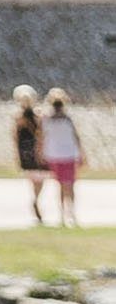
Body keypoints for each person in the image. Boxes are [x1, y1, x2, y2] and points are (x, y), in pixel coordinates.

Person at [44, 87, 85, 223]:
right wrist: (82, 154)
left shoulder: (48, 119)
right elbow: (76, 137)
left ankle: (63, 214)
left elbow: (42, 138)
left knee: (62, 186)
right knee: (70, 185)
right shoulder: (66, 119)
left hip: (56, 155)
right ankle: (70, 213)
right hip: (68, 154)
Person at [15, 83, 46, 223]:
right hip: (35, 150)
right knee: (40, 180)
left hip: (24, 151)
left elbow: (15, 137)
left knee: (33, 180)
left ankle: (35, 201)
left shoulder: (19, 118)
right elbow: (41, 134)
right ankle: (36, 200)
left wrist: (16, 154)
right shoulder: (37, 116)